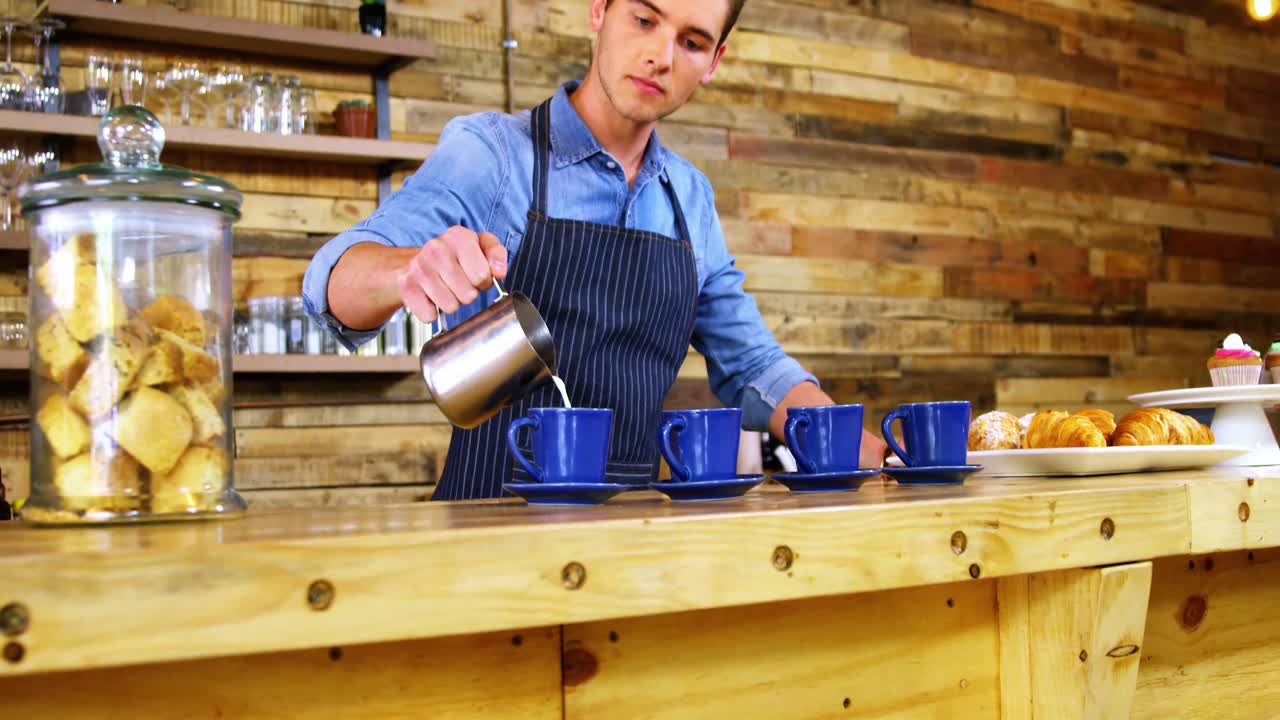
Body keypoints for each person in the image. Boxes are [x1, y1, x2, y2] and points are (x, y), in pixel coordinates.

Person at [304, 0, 888, 500]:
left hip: (630, 536)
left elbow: (753, 366)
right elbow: (333, 279)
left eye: (690, 41)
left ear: (713, 63)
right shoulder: (493, 154)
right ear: (598, 10)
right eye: (643, 19)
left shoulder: (689, 198)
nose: (661, 54)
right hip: (484, 529)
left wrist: (865, 448)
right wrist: (408, 268)